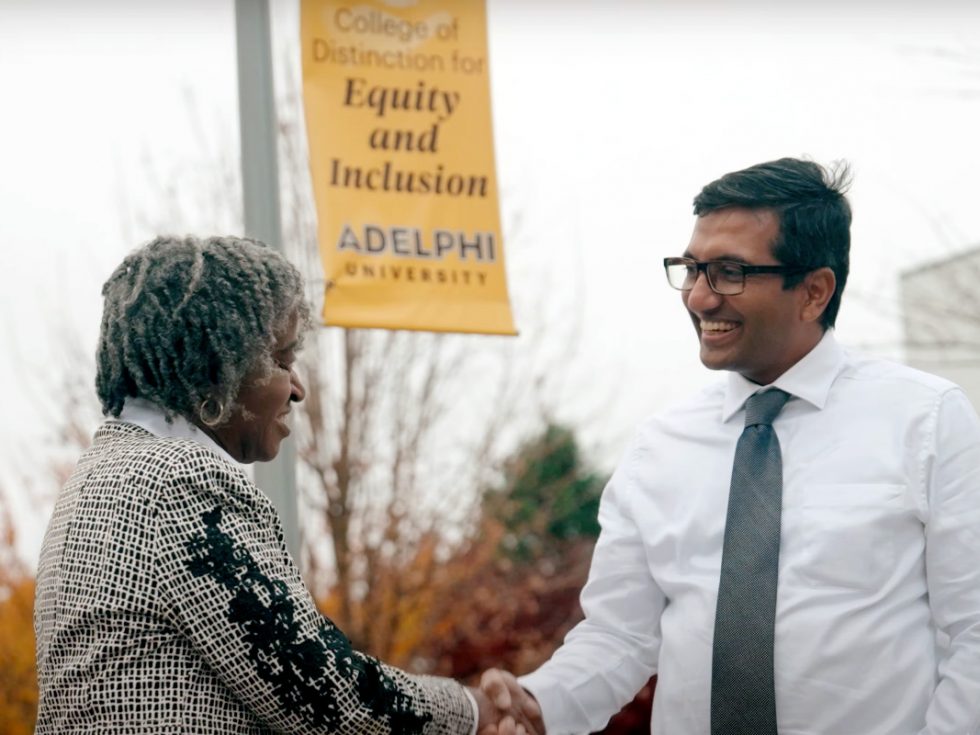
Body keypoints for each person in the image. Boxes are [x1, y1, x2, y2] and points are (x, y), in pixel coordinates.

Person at [481, 158, 980, 733]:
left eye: (728, 272)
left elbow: (972, 632)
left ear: (814, 291)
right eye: (691, 269)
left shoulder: (927, 420)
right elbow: (619, 636)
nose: (698, 297)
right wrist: (537, 703)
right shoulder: (659, 448)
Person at [33, 235, 540, 734]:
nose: (297, 388)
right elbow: (322, 692)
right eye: (281, 359)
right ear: (215, 366)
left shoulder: (102, 475)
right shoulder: (179, 483)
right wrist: (475, 710)